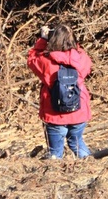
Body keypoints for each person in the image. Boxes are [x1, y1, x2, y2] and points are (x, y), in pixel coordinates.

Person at [27, 23, 92, 159]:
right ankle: (93, 167)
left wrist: (43, 39)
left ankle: (53, 176)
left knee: (55, 153)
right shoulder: (82, 58)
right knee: (77, 143)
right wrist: (70, 41)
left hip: (54, 114)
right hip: (79, 111)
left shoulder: (46, 61)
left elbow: (31, 59)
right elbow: (76, 53)